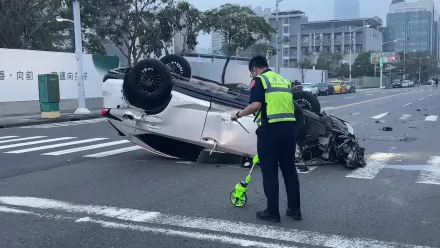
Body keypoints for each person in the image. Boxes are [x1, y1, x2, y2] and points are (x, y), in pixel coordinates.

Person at [231, 55, 302, 222]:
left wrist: (238, 114)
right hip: (289, 130)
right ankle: (295, 210)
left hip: (270, 130)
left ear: (254, 69)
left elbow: (256, 105)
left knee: (269, 172)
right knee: (289, 171)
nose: (252, 76)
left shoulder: (260, 80)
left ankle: (272, 212)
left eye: (251, 73)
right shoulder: (283, 80)